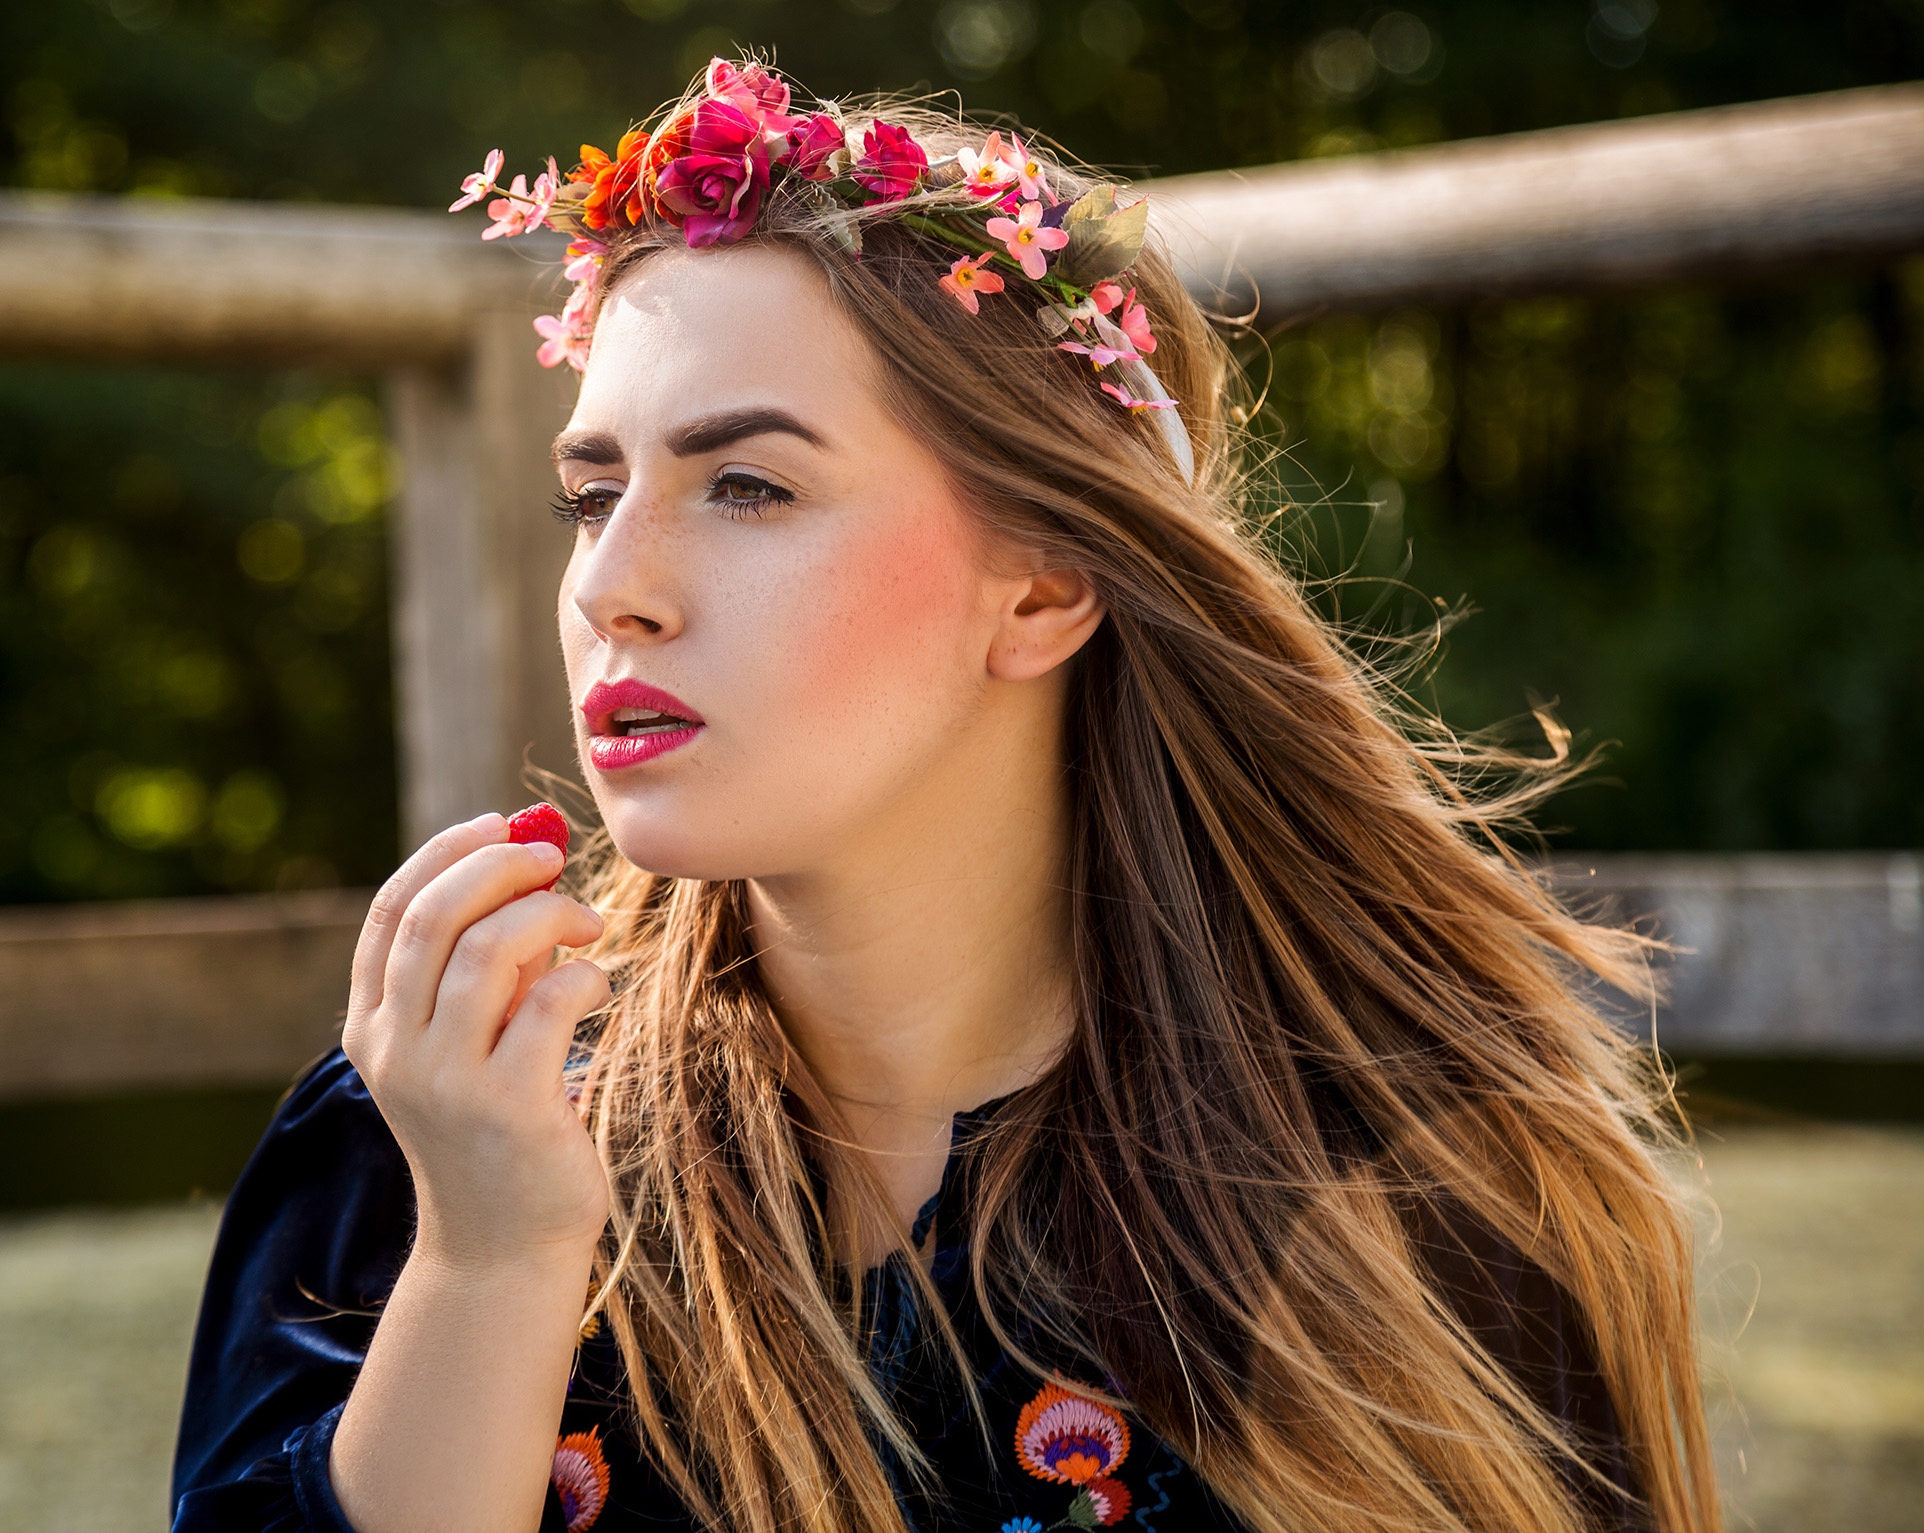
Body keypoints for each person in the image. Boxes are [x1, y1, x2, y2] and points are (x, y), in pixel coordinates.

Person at [173, 61, 1717, 1533]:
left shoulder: (1407, 1193)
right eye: (593, 493)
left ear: (1044, 584)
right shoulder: (437, 1137)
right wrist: (496, 1259)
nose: (614, 587)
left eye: (748, 485)